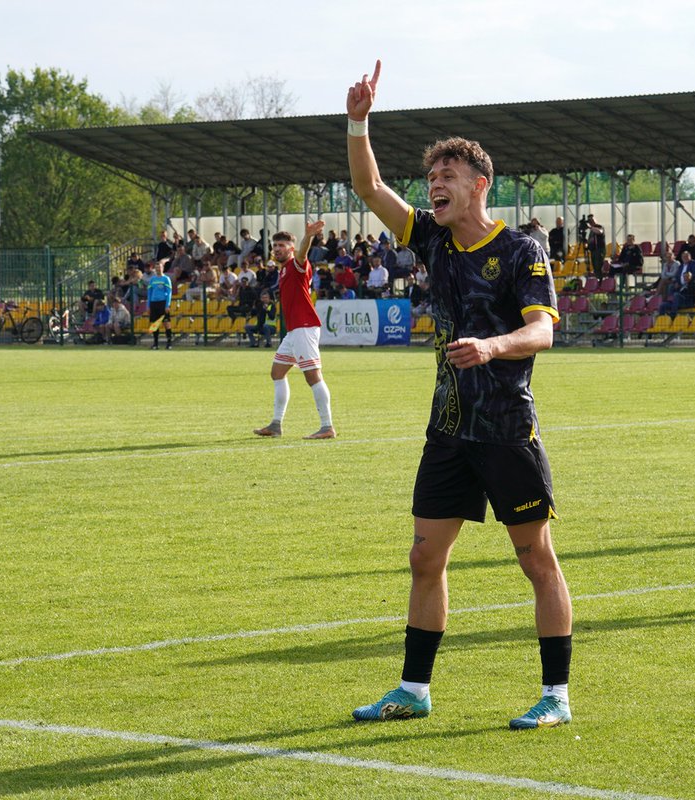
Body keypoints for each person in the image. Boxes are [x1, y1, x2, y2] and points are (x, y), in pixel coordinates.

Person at [346, 61, 572, 730]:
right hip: (448, 428)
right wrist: (358, 120)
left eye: (446, 178)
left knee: (535, 558)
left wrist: (492, 346)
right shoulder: (433, 241)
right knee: (424, 557)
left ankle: (556, 697)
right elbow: (370, 186)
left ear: (480, 184)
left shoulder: (525, 249)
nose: (434, 187)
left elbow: (542, 333)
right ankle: (414, 690)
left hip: (506, 429)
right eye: (431, 179)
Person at [252, 221, 336, 440]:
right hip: (294, 331)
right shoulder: (282, 271)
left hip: (304, 327)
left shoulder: (297, 264)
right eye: (275, 245)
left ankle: (327, 426)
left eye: (282, 245)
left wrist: (308, 236)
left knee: (313, 376)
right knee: (277, 372)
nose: (277, 248)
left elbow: (303, 254)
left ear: (291, 248)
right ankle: (276, 424)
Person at [145, 261, 174, 350]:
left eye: (160, 267)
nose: (158, 269)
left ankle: (169, 343)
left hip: (162, 303)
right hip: (154, 303)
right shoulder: (152, 280)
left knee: (166, 323)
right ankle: (155, 343)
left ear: (163, 268)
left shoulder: (166, 279)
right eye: (157, 268)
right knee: (154, 324)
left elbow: (169, 293)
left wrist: (167, 305)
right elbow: (149, 293)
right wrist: (148, 305)